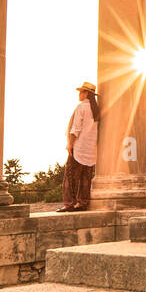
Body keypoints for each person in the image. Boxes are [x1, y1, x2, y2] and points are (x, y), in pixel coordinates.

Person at [60, 81, 99, 212]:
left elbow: (75, 129)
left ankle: (69, 203)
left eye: (81, 91)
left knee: (70, 176)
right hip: (91, 149)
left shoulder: (81, 107)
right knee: (85, 177)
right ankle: (82, 202)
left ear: (86, 93)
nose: (79, 94)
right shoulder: (97, 109)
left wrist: (70, 144)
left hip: (80, 147)